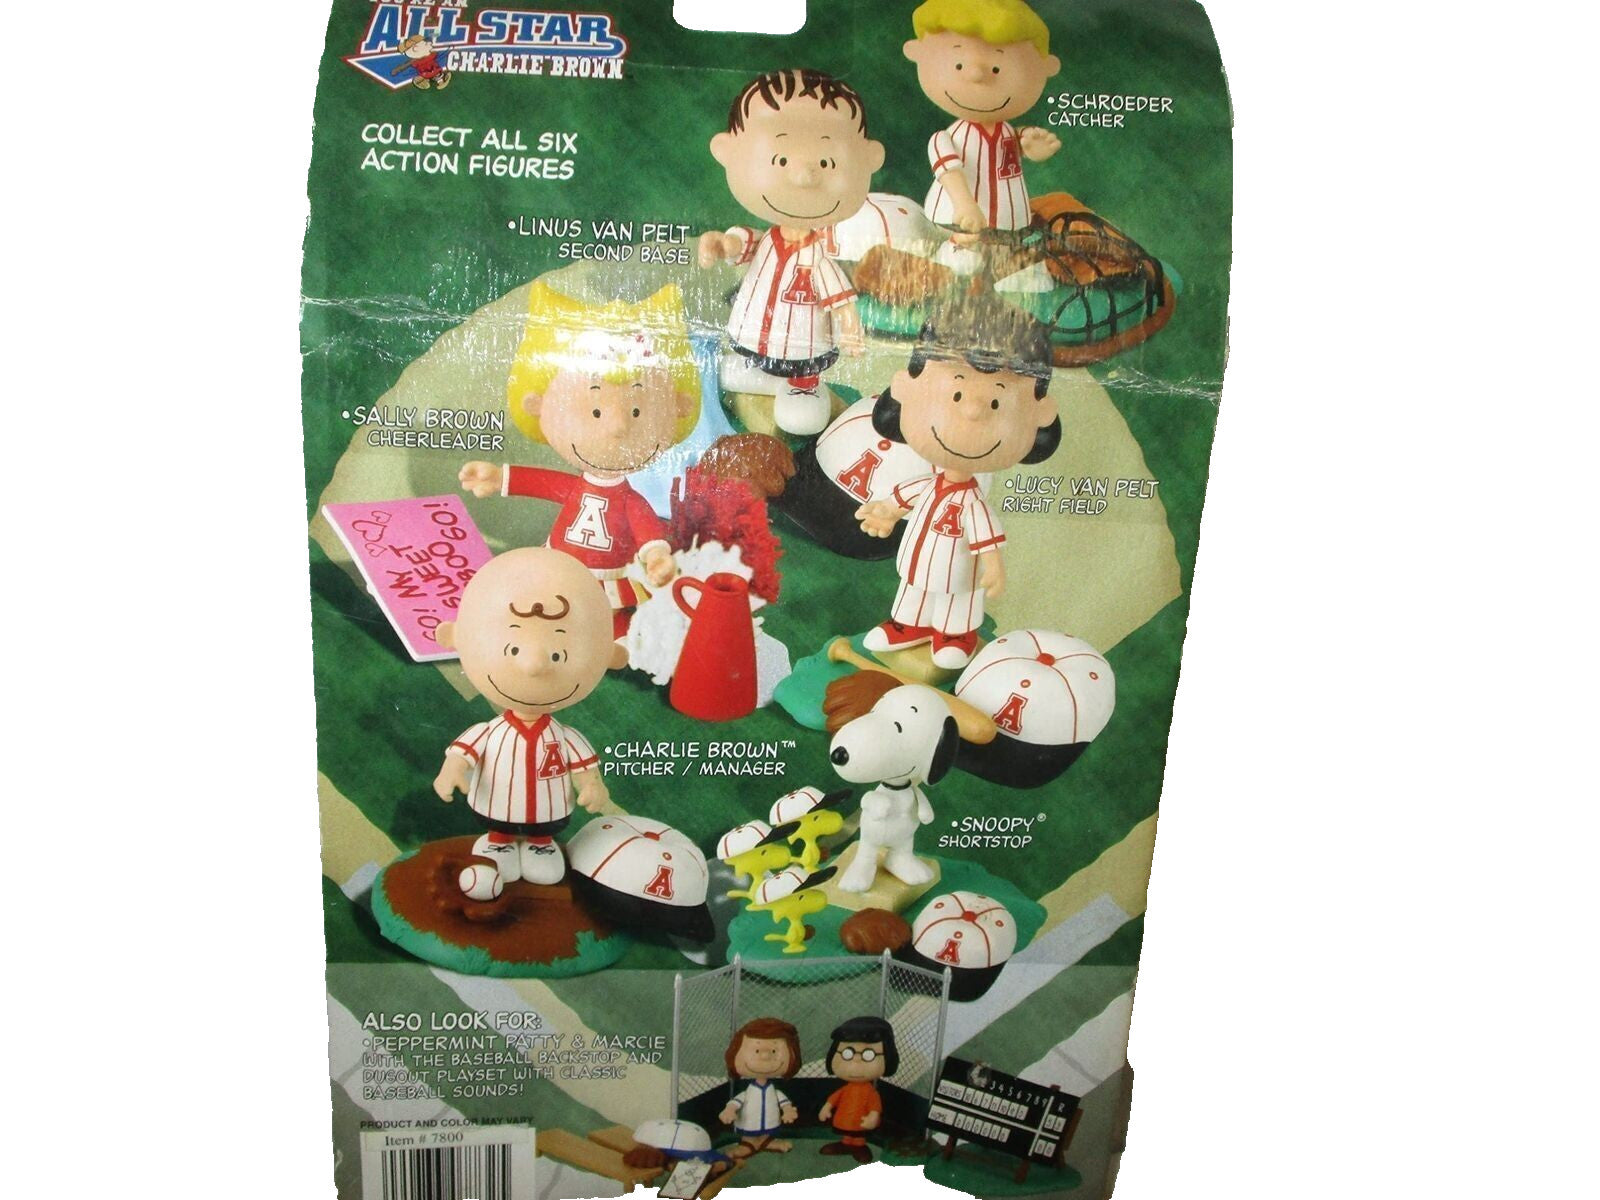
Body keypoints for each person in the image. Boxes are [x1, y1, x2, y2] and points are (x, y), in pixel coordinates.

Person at [460, 283, 699, 648]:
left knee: (607, 611)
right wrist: (498, 478)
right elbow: (544, 483)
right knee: (549, 599)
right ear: (538, 403)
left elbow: (645, 527)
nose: (618, 427)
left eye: (636, 411)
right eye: (597, 411)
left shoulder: (630, 501)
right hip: (561, 562)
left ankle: (613, 636)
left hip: (610, 572)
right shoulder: (578, 487)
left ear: (679, 407)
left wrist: (656, 555)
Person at [857, 291, 1059, 668]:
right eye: (956, 394)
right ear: (905, 388)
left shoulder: (973, 502)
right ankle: (908, 624)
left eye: (995, 403)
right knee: (913, 587)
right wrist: (886, 512)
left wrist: (994, 566)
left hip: (960, 568)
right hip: (918, 560)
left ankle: (955, 634)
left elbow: (986, 539)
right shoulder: (928, 483)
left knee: (957, 596)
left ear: (1040, 416)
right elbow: (905, 497)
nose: (972, 411)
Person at [699, 69, 884, 435]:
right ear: (726, 150)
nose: (803, 177)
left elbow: (839, 298)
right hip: (753, 335)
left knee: (801, 411)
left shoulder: (817, 257)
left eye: (826, 163)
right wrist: (721, 245)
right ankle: (760, 378)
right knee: (732, 371)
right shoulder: (766, 239)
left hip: (803, 345)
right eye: (781, 161)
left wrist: (850, 329)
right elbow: (740, 244)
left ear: (869, 159)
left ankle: (802, 386)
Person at [431, 549, 617, 889]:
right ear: (454, 637)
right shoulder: (489, 732)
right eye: (513, 649)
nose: (533, 667)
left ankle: (540, 846)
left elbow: (585, 768)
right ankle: (498, 842)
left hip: (549, 814)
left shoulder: (566, 737)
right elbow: (462, 753)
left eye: (558, 654)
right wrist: (451, 770)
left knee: (543, 841)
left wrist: (593, 784)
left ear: (610, 655)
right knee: (497, 832)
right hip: (495, 807)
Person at [718, 1017, 802, 1157]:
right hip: (748, 1123)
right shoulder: (748, 1092)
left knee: (768, 1131)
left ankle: (766, 1141)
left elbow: (784, 1102)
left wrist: (788, 1110)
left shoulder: (774, 1091)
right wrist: (729, 1110)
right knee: (749, 1132)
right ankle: (747, 1143)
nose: (765, 1056)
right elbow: (736, 1101)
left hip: (770, 1123)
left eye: (774, 1051)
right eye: (757, 1050)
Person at [818, 1016, 898, 1163]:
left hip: (860, 1122)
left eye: (868, 1055)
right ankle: (845, 1143)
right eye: (847, 1053)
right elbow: (833, 1099)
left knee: (858, 1135)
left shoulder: (871, 1092)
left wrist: (873, 1117)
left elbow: (875, 1108)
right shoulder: (845, 1089)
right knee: (847, 1132)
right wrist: (826, 1107)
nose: (856, 1061)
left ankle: (859, 1145)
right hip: (844, 1120)